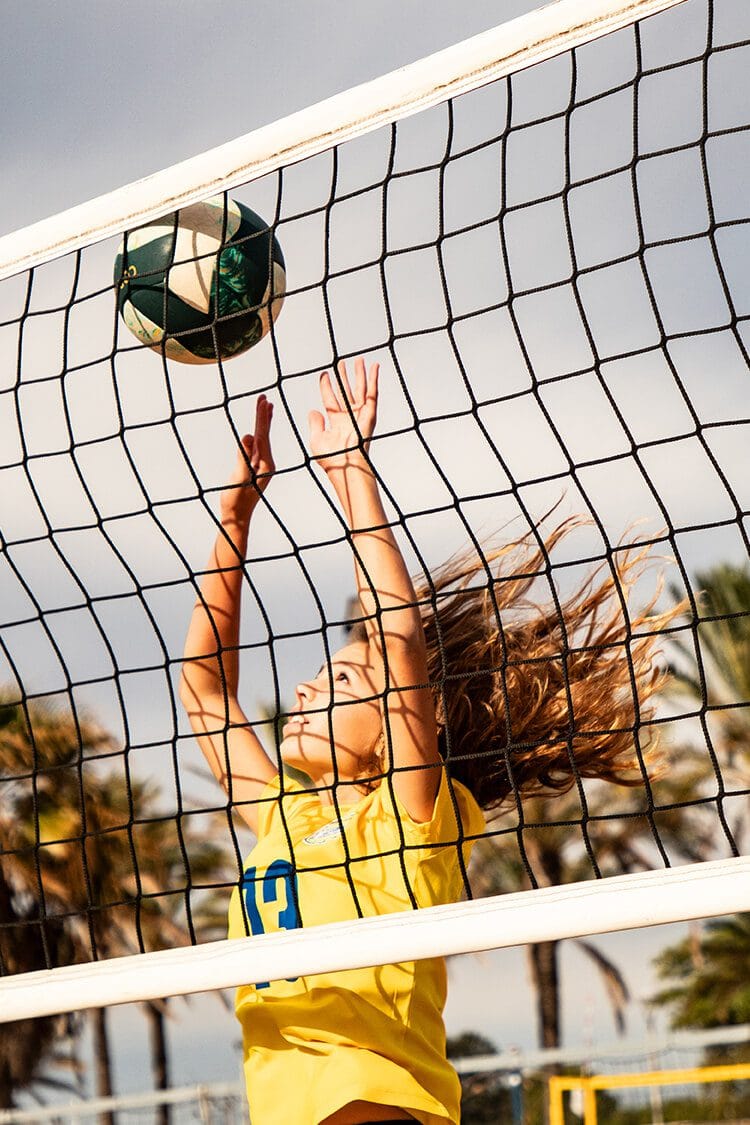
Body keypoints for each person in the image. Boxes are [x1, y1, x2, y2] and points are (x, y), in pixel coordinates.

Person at [180, 357, 670, 1125]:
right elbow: (205, 691)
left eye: (342, 680)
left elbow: (400, 635)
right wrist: (235, 519)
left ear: (404, 723)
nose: (306, 688)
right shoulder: (287, 815)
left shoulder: (413, 818)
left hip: (380, 1107)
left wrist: (351, 477)